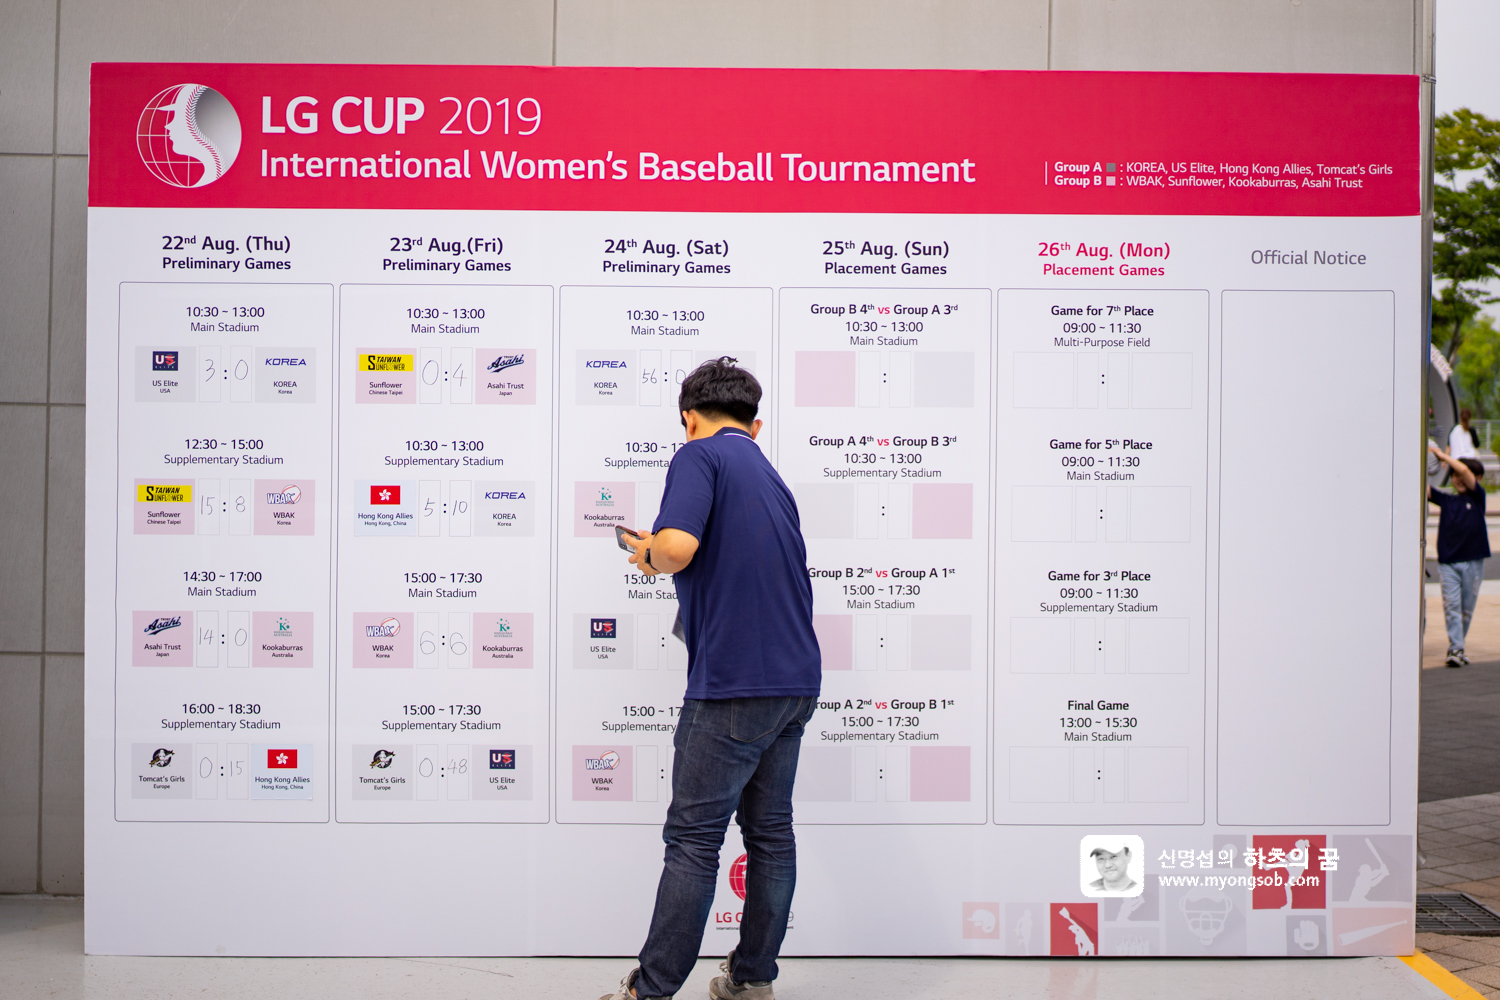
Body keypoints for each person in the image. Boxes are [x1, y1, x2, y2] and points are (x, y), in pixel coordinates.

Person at [602, 357, 821, 1000]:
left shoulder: (697, 455)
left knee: (694, 842)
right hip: (795, 681)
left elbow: (676, 549)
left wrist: (649, 551)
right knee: (771, 835)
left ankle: (650, 990)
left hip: (734, 683)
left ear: (689, 418)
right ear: (756, 425)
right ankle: (752, 981)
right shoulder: (769, 474)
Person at [1430, 444, 1490, 667]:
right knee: (1451, 606)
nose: (1458, 478)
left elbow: (1465, 471)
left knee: (1466, 610)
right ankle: (1456, 648)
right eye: (1454, 475)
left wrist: (1443, 456)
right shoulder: (1447, 500)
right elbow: (1423, 489)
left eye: (1462, 475)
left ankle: (1458, 645)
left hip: (1473, 562)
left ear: (1477, 478)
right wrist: (1426, 461)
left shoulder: (1478, 497)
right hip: (1448, 563)